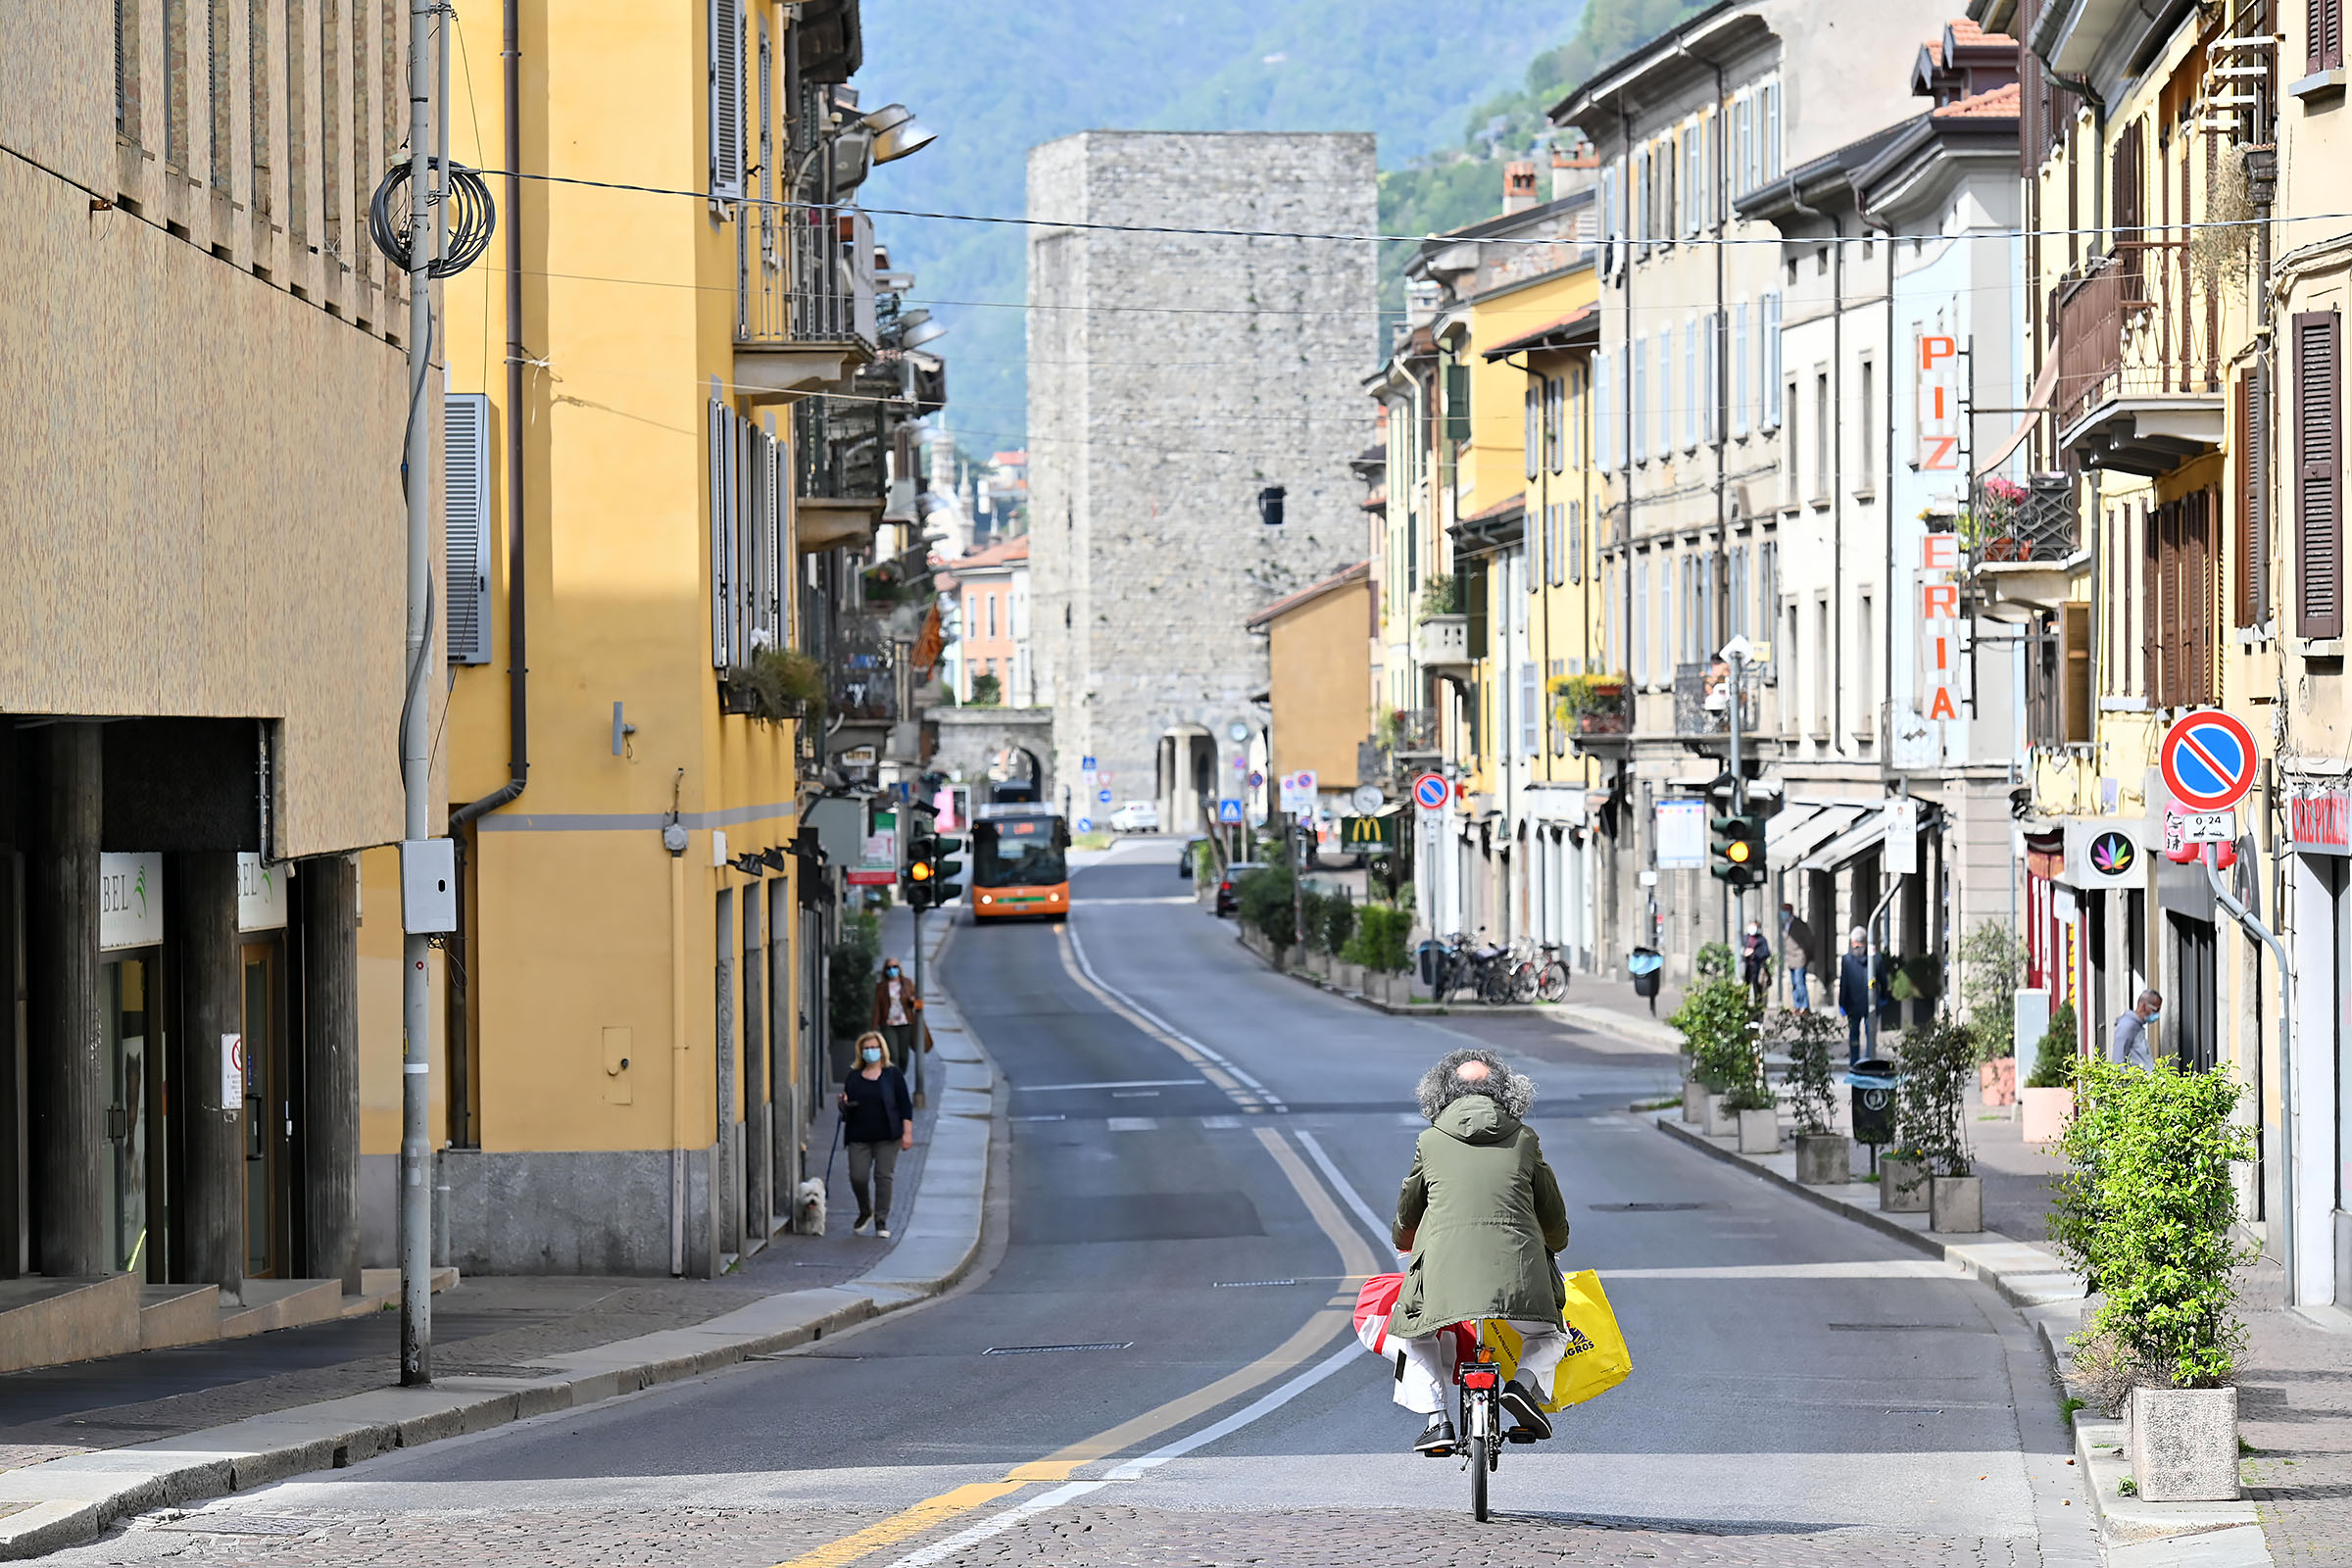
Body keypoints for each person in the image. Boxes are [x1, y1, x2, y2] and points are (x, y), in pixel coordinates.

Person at [1388, 1049, 1572, 1456]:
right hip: (1519, 1275)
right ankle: (1522, 1387)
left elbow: (1409, 1206)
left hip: (1442, 1276)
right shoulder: (1525, 1139)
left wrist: (1404, 1239)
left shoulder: (1430, 1141)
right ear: (1506, 1092)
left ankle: (1437, 1420)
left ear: (1440, 1092)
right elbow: (1552, 1213)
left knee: (1415, 1334)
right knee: (1549, 1333)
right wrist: (1555, 1245)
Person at [838, 1030, 914, 1237]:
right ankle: (865, 1211)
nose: (870, 1052)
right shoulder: (853, 1076)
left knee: (884, 1177)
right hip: (859, 1135)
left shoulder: (893, 1075)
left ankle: (881, 1221)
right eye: (866, 1049)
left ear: (882, 1050)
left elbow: (905, 1106)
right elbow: (847, 1110)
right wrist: (842, 1104)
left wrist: (907, 1133)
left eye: (874, 1048)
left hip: (888, 1136)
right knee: (858, 1177)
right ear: (860, 1052)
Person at [872, 957, 925, 1090]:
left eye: (895, 967)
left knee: (903, 1056)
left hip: (905, 1023)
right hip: (888, 1024)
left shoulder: (907, 983)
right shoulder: (881, 987)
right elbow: (877, 1007)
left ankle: (899, 1077)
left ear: (899, 968)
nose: (892, 970)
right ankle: (894, 1082)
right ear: (885, 970)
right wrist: (873, 1028)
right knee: (893, 1054)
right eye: (889, 967)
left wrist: (914, 1002)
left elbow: (916, 1002)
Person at [1838, 928, 1873, 1063]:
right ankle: (1870, 1059)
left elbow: (1844, 983)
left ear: (1853, 942)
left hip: (1853, 1003)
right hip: (1869, 1002)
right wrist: (1882, 997)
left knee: (1854, 1036)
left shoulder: (1847, 959)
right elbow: (1881, 979)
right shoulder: (1874, 957)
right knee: (1870, 1034)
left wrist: (1842, 1003)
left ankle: (1854, 1062)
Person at [2111, 989, 2161, 1069]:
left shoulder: (2137, 1026)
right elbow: (2118, 1061)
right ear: (2144, 1006)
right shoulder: (2127, 1025)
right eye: (2156, 1010)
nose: (2157, 1014)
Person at [1781, 903, 1815, 1010]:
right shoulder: (1785, 925)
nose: (1782, 914)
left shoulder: (1799, 924)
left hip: (1799, 958)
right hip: (1791, 959)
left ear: (1790, 912)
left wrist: (1808, 955)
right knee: (1794, 983)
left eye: (1784, 912)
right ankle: (1797, 1005)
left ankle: (1805, 1006)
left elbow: (1809, 940)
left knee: (1800, 982)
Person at [1740, 920, 1771, 1004]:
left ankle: (1758, 1010)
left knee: (1757, 989)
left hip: (1757, 967)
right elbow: (1740, 949)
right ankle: (1745, 1007)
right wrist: (1744, 952)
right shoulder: (1745, 938)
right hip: (1747, 967)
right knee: (1745, 988)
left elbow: (1766, 953)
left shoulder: (1762, 940)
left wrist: (1754, 953)